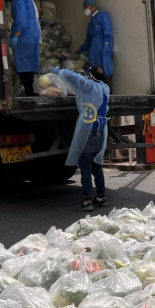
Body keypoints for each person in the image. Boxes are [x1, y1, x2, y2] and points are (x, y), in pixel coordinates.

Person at [52, 65, 110, 211]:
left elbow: (70, 76)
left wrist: (59, 71)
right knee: (97, 166)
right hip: (101, 131)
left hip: (88, 131)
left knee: (85, 167)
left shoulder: (87, 85)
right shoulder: (104, 88)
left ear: (90, 75)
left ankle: (87, 201)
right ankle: (101, 197)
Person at [9, 0, 41, 97]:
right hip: (33, 32)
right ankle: (31, 89)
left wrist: (16, 34)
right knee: (30, 62)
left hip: (25, 34)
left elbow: (21, 19)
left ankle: (29, 91)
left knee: (23, 63)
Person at [77, 0, 114, 90]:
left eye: (86, 6)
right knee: (95, 73)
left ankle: (109, 95)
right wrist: (80, 49)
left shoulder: (103, 15)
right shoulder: (90, 24)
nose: (85, 9)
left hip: (103, 47)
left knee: (105, 71)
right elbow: (87, 41)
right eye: (84, 7)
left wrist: (106, 44)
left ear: (93, 6)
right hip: (93, 52)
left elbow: (107, 30)